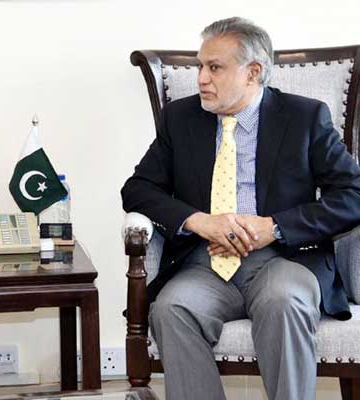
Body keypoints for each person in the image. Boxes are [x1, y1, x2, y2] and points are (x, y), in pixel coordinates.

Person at [121, 17, 360, 400]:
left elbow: (353, 194)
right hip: (206, 264)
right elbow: (137, 189)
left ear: (253, 73)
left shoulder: (304, 118)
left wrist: (275, 227)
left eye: (214, 67)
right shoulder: (181, 119)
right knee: (170, 309)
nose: (201, 78)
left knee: (284, 302)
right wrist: (199, 222)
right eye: (201, 66)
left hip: (284, 259)